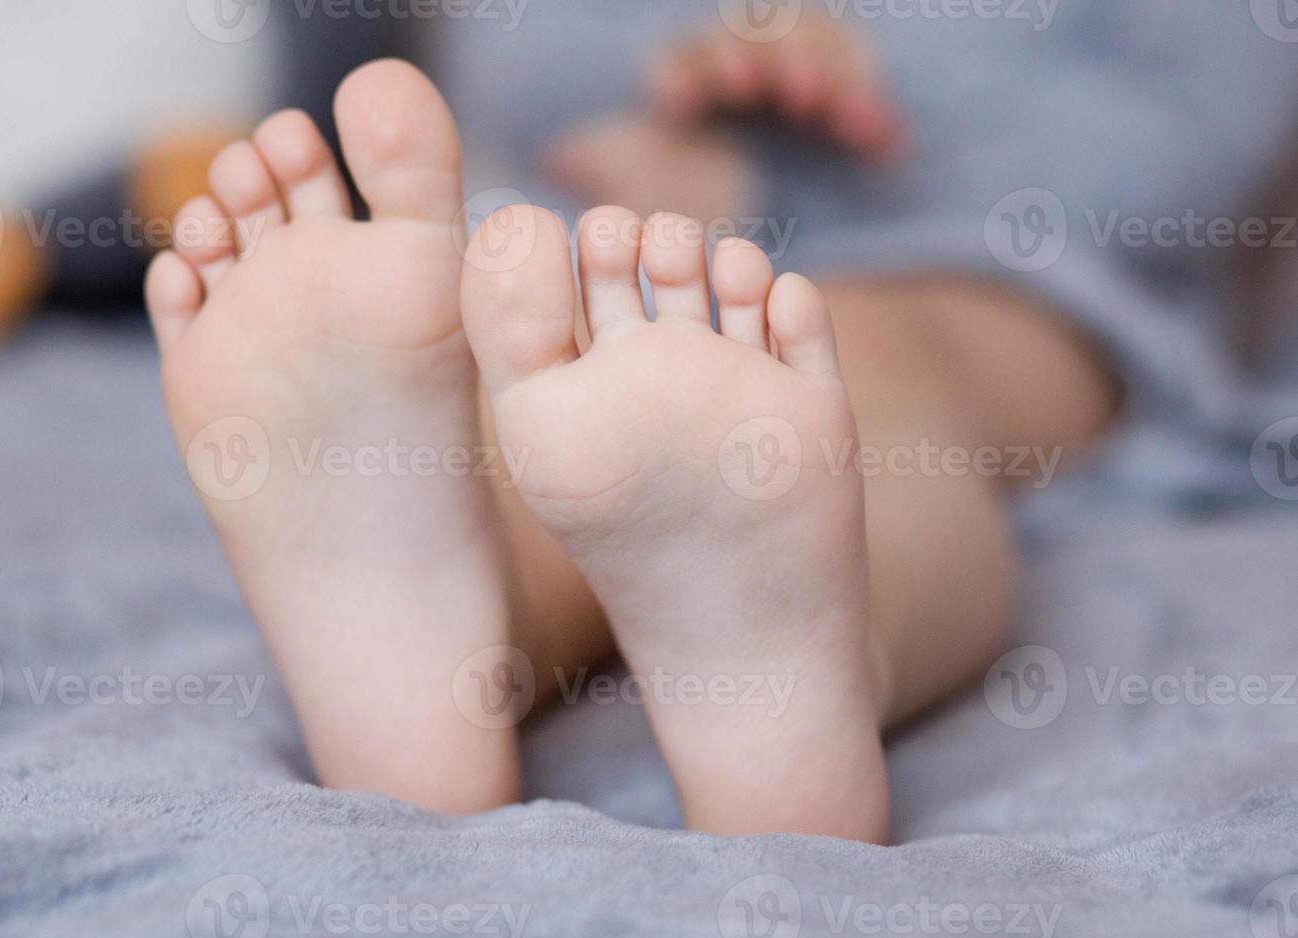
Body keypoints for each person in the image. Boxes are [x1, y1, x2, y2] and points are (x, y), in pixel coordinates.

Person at [145, 2, 1295, 840]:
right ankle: (462, 635)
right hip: (600, 272)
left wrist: (832, 127)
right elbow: (524, 55)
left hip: (983, 270)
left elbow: (1200, 123)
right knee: (550, 426)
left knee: (863, 378)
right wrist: (662, 104)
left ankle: (801, 664)